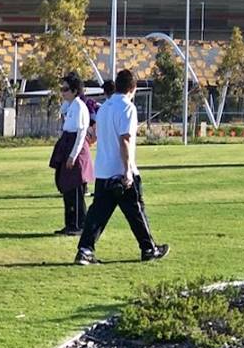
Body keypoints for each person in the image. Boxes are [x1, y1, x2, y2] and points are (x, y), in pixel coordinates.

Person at [74, 69, 170, 266]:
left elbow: (96, 135)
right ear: (132, 88)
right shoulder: (127, 108)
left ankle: (85, 250)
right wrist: (127, 170)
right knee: (136, 211)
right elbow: (124, 139)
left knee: (97, 214)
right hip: (120, 170)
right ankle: (148, 248)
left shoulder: (104, 108)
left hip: (103, 170)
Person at [49, 73, 93, 236]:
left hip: (75, 148)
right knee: (67, 188)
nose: (63, 92)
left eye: (66, 89)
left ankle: (79, 224)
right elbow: (62, 112)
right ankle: (70, 223)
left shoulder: (80, 106)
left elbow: (81, 133)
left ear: (75, 91)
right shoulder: (71, 105)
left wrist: (73, 156)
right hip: (67, 143)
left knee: (75, 189)